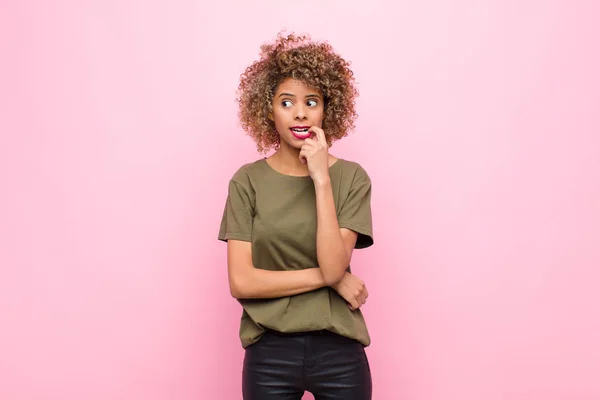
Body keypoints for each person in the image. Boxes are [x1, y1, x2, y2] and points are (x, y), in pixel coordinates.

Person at [218, 32, 374, 400]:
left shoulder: (351, 178)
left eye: (311, 101)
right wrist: (331, 281)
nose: (300, 112)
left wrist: (321, 178)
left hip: (340, 351)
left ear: (327, 109)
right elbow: (241, 282)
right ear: (267, 109)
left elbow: (336, 263)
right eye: (286, 101)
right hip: (269, 352)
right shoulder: (248, 181)